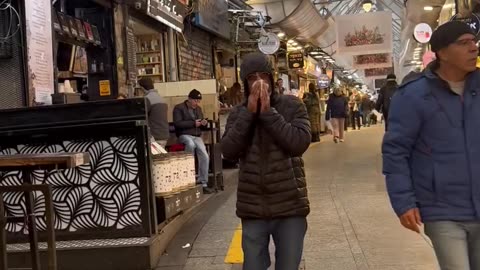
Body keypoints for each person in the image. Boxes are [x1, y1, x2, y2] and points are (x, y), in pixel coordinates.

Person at [382, 21, 480, 270]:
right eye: (464, 43)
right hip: (442, 209)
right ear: (442, 52)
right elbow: (396, 151)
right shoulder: (413, 95)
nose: (474, 48)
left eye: (474, 41)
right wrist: (404, 201)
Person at [221, 53, 311, 270]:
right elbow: (228, 151)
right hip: (253, 206)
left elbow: (299, 143)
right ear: (245, 82)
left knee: (288, 265)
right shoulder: (238, 113)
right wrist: (249, 114)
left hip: (290, 204)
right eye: (253, 78)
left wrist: (268, 113)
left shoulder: (292, 105)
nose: (259, 82)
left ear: (271, 78)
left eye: (264, 76)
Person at [173, 89, 214, 194]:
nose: (197, 103)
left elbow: (200, 123)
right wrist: (193, 123)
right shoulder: (179, 108)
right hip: (184, 135)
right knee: (190, 145)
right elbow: (177, 124)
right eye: (195, 101)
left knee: (205, 155)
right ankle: (188, 177)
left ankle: (202, 182)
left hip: (196, 135)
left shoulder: (198, 109)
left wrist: (204, 123)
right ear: (189, 99)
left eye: (198, 101)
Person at [138, 78, 169, 147]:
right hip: (164, 134)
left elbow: (142, 117)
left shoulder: (147, 99)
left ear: (142, 88)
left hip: (154, 136)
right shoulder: (161, 99)